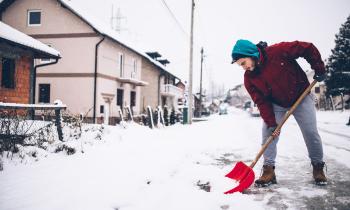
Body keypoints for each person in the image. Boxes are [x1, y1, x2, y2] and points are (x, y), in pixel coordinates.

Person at [231, 39, 327, 187]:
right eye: (240, 66)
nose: (244, 68)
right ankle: (269, 170)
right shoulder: (249, 78)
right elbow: (261, 101)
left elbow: (307, 48)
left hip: (301, 95)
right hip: (277, 103)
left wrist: (319, 68)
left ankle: (318, 167)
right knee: (269, 133)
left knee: (310, 132)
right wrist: (271, 123)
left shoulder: (278, 51)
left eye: (243, 63)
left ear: (252, 54)